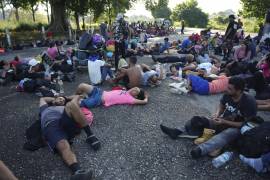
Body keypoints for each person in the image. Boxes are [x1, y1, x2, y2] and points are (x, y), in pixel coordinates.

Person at [160, 77, 257, 159]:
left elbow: (243, 124)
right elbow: (221, 104)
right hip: (223, 121)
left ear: (239, 91)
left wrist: (224, 121)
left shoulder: (249, 102)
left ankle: (200, 150)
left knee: (224, 135)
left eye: (230, 89)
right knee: (199, 119)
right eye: (227, 87)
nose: (227, 90)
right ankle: (176, 131)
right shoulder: (228, 94)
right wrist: (217, 113)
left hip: (236, 128)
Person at [39, 96, 100, 180]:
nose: (61, 100)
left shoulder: (65, 107)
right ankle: (77, 172)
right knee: (63, 144)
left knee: (71, 104)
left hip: (65, 122)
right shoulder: (45, 108)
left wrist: (66, 98)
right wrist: (55, 99)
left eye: (63, 100)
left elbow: (77, 97)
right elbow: (43, 99)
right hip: (51, 125)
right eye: (60, 99)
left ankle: (90, 136)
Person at [76, 84, 148, 108]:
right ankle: (78, 97)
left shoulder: (130, 99)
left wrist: (146, 97)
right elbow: (134, 88)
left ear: (136, 97)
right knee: (81, 86)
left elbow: (144, 102)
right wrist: (138, 90)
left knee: (76, 103)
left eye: (136, 91)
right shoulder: (127, 91)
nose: (134, 89)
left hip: (98, 100)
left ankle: (67, 100)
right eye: (135, 88)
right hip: (99, 91)